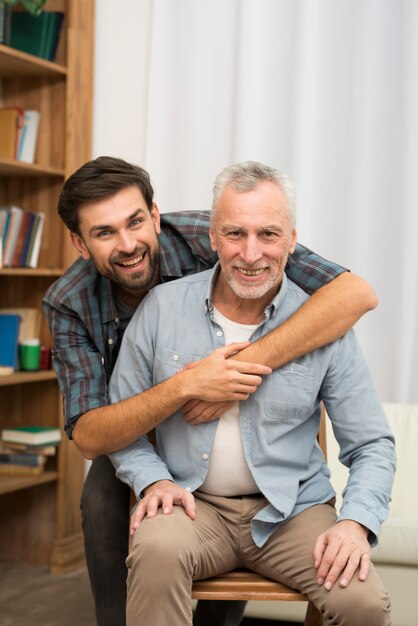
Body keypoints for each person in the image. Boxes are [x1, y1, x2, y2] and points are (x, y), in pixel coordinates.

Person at [43, 156, 377, 626]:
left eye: (136, 222)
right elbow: (92, 435)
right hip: (139, 438)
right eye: (104, 233)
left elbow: (355, 294)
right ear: (80, 243)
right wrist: (186, 386)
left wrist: (237, 374)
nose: (128, 244)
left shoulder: (224, 232)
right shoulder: (70, 301)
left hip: (265, 478)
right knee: (104, 492)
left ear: (155, 216)